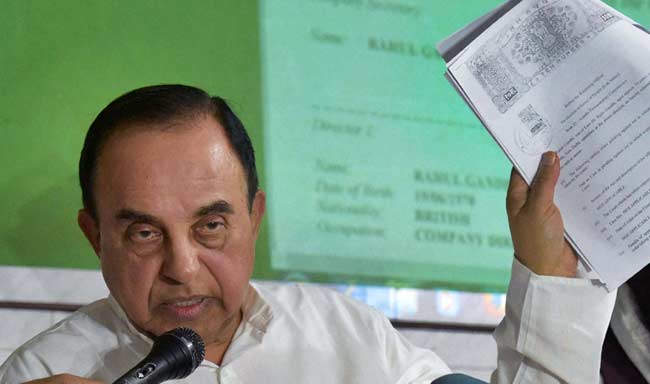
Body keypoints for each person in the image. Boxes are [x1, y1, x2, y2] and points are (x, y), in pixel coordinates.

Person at [0, 85, 616, 383]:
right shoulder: (43, 372)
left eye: (210, 226)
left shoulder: (346, 333)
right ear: (94, 237)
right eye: (143, 234)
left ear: (254, 218)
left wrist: (547, 278)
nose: (182, 267)